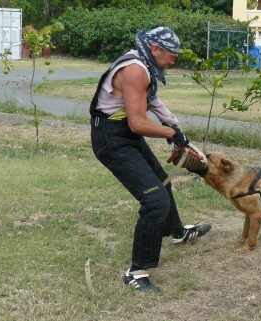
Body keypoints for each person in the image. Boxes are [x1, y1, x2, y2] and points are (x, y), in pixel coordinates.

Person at [90, 27, 211, 293]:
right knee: (155, 199)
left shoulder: (144, 64)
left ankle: (177, 232)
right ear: (155, 49)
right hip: (111, 139)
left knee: (161, 181)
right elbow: (138, 123)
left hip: (122, 133)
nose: (173, 61)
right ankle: (136, 272)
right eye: (171, 56)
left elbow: (153, 101)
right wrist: (169, 134)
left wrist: (175, 127)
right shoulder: (134, 70)